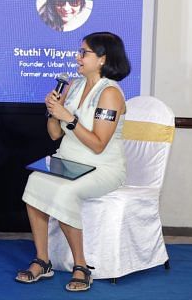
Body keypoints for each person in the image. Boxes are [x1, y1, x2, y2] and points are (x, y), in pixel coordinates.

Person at [15, 32, 131, 292]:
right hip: (68, 160)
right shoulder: (74, 85)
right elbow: (55, 134)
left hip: (102, 168)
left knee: (66, 192)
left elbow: (98, 144)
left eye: (84, 52)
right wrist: (53, 113)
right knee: (34, 182)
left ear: (102, 59)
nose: (77, 57)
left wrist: (67, 116)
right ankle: (43, 260)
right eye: (79, 51)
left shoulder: (110, 93)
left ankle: (81, 266)